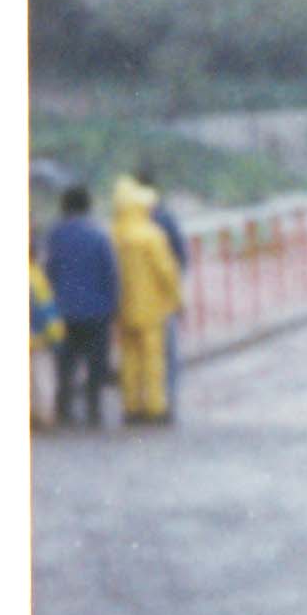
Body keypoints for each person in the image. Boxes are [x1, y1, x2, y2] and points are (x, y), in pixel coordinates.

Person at [41, 185, 115, 429]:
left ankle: (64, 411)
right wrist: (113, 306)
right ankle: (94, 411)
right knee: (95, 365)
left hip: (64, 311)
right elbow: (110, 273)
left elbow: (49, 271)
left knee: (65, 365)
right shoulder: (99, 234)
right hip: (97, 311)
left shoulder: (55, 235)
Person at [110, 178, 182, 428]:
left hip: (123, 308)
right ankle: (154, 407)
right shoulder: (151, 235)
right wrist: (177, 300)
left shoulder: (114, 235)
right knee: (153, 360)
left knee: (129, 360)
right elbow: (167, 272)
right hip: (152, 309)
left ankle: (131, 406)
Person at [28, 232, 61, 427]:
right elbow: (46, 308)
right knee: (43, 377)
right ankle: (45, 413)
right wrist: (55, 334)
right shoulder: (35, 276)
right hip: (37, 338)